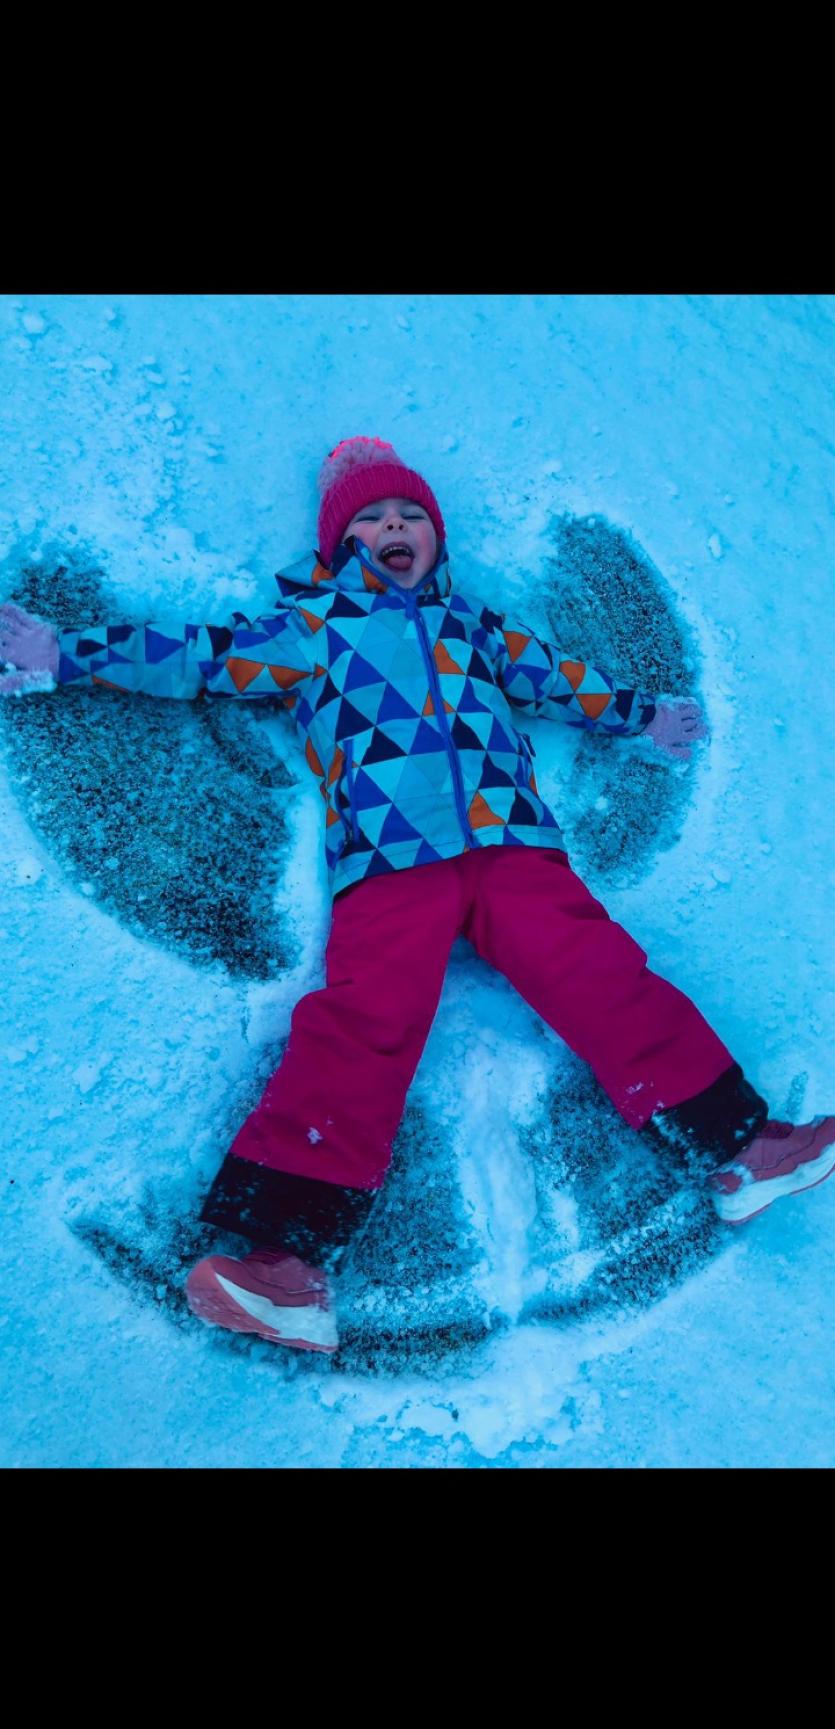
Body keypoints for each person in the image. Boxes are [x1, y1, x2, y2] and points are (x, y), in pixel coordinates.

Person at [3, 434, 833, 1357]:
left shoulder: (475, 629)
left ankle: (741, 1149)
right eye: (370, 518)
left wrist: (640, 715)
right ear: (337, 547)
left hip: (513, 847)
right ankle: (287, 1263)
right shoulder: (310, 630)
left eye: (409, 517)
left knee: (605, 981)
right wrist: (64, 655)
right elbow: (194, 657)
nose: (393, 527)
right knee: (364, 1023)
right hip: (388, 859)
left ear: (436, 542)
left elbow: (557, 681)